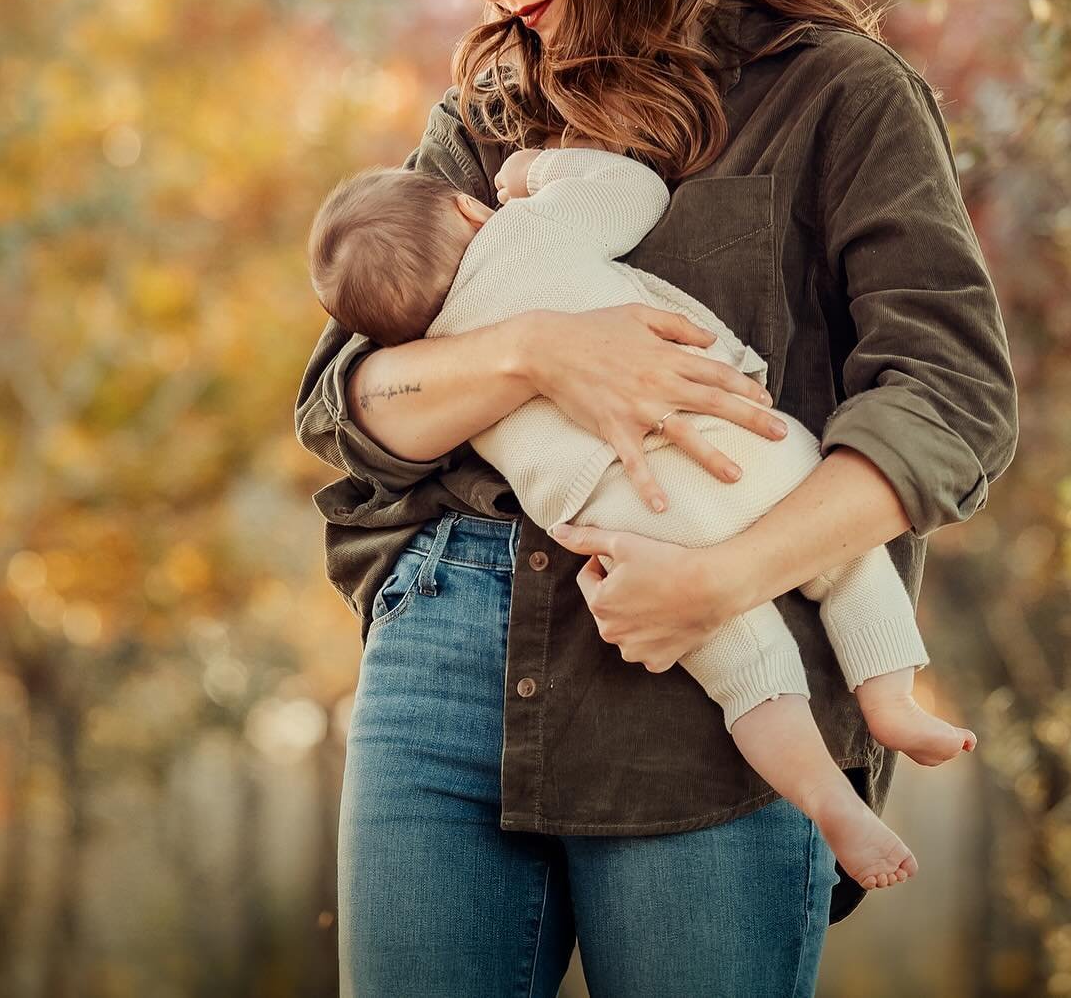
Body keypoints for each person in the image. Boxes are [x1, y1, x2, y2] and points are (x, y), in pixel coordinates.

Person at [293, 0, 1019, 998]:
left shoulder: (838, 94)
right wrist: (534, 352)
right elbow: (350, 402)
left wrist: (725, 570)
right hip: (451, 644)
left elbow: (948, 396)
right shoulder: (485, 123)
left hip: (717, 672)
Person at [307, 135, 979, 890]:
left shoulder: (439, 357)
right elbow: (631, 191)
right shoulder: (522, 228)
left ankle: (825, 797)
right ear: (470, 208)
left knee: (748, 673)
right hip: (741, 454)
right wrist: (533, 174)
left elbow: (354, 408)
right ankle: (890, 698)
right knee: (851, 558)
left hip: (639, 542)